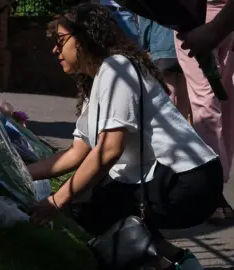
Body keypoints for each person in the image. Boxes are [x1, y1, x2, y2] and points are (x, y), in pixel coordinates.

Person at [28, 4, 223, 269]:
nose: (55, 50)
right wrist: (21, 172)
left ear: (85, 37)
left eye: (60, 40)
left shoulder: (117, 69)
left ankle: (163, 264)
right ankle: (177, 261)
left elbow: (109, 151)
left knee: (89, 204)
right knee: (88, 201)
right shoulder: (96, 80)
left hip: (188, 180)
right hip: (168, 178)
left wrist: (56, 201)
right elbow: (76, 152)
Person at [173, 0, 234, 222]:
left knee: (226, 106)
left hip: (227, 18)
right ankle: (213, 190)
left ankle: (217, 184)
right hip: (196, 22)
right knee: (206, 105)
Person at [138, 17, 191, 121]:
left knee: (167, 98)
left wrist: (145, 46)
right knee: (184, 99)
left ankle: (170, 131)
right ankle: (183, 133)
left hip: (161, 49)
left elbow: (145, 21)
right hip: (185, 47)